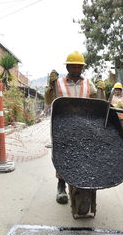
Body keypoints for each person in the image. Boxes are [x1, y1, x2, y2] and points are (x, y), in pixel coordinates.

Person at [44, 50, 105, 204]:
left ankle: (83, 181)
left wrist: (101, 90)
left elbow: (99, 102)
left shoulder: (88, 83)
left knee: (84, 153)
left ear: (82, 68)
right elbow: (48, 101)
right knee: (63, 155)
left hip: (84, 124)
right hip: (63, 124)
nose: (76, 70)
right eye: (73, 67)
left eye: (79, 67)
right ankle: (61, 186)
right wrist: (50, 86)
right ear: (68, 67)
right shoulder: (58, 83)